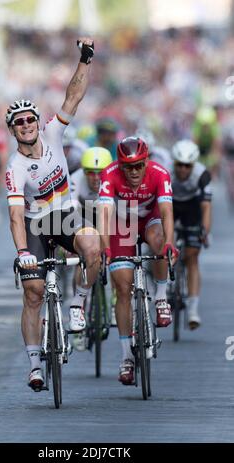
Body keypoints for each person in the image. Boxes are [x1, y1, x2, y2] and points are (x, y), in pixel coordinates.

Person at [5, 37, 100, 391]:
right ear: (13, 130)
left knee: (93, 247)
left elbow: (73, 95)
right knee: (32, 292)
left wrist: (85, 59)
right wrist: (23, 253)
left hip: (63, 215)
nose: (27, 124)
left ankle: (78, 303)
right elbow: (16, 216)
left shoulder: (53, 133)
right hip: (34, 223)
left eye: (30, 118)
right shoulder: (14, 168)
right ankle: (33, 365)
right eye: (19, 122)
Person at [98, 136, 178, 385]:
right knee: (122, 288)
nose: (133, 172)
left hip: (150, 220)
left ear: (146, 161)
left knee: (159, 240)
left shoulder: (159, 173)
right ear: (120, 165)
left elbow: (166, 212)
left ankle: (162, 297)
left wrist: (169, 244)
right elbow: (104, 214)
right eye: (128, 167)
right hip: (122, 224)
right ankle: (125, 359)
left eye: (138, 166)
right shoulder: (109, 174)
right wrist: (104, 248)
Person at [70, 146, 113, 350]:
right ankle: (78, 312)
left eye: (100, 173)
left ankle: (114, 301)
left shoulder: (115, 177)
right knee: (83, 260)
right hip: (83, 218)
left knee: (116, 256)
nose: (96, 178)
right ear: (83, 171)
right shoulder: (75, 179)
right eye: (90, 173)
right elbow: (69, 210)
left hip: (111, 217)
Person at [171, 139, 212, 329]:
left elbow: (206, 207)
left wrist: (204, 230)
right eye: (179, 165)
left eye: (187, 166)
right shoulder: (166, 172)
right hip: (170, 204)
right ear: (174, 163)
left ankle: (193, 310)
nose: (183, 170)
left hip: (192, 208)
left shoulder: (202, 174)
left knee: (192, 257)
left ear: (193, 165)